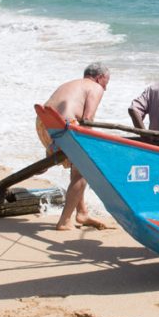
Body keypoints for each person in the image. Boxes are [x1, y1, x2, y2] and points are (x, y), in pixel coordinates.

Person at [37, 63, 110, 230]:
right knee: (84, 169)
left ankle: (82, 213)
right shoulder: (95, 87)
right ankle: (64, 221)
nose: (105, 88)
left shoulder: (71, 84)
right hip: (64, 127)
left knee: (77, 167)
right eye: (106, 82)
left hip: (44, 123)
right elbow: (88, 118)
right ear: (99, 78)